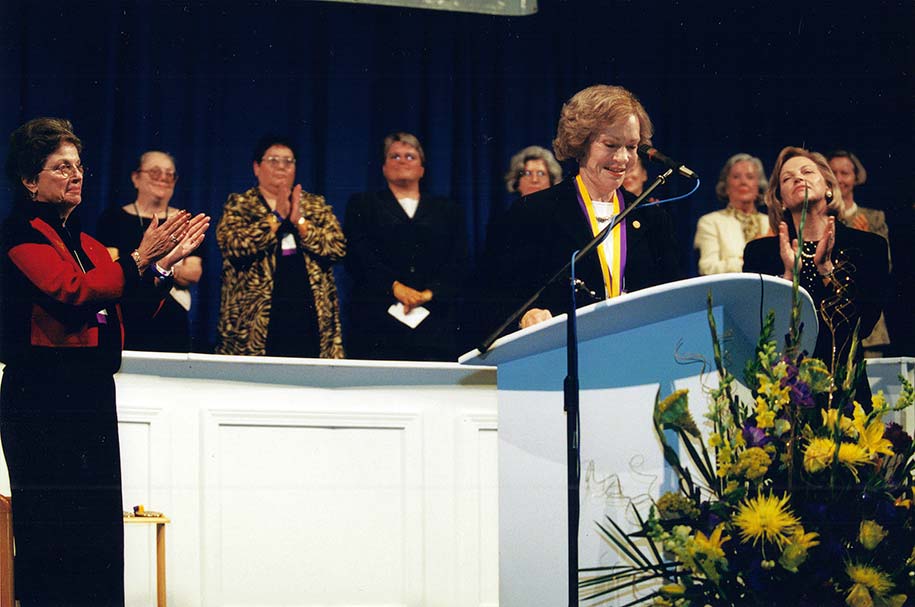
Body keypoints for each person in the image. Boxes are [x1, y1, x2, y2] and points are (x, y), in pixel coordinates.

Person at [0, 117, 208, 606]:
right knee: (53, 533)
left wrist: (161, 265)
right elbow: (69, 294)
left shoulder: (89, 243)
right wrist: (137, 262)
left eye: (78, 165)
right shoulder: (17, 236)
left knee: (96, 530)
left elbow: (128, 305)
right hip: (41, 398)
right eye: (60, 167)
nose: (76, 175)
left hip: (89, 396)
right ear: (30, 180)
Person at [500, 84, 681, 330]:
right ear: (580, 143)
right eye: (610, 145)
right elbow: (496, 293)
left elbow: (673, 302)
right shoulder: (533, 212)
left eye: (631, 146)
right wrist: (527, 314)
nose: (622, 158)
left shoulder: (652, 219)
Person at [743, 146, 889, 405]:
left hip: (845, 396)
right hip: (785, 398)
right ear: (781, 200)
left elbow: (862, 326)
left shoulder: (869, 246)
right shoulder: (761, 253)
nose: (798, 178)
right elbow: (761, 333)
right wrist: (789, 277)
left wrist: (826, 271)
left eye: (807, 171)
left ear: (829, 187)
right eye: (787, 179)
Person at [216, 135, 345, 358]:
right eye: (273, 160)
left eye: (288, 161)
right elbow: (232, 244)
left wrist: (300, 222)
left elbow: (337, 247)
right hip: (255, 322)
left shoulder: (315, 205)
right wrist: (277, 217)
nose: (281, 167)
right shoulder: (240, 204)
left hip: (309, 315)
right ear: (257, 167)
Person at [344, 132, 466, 361]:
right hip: (377, 324)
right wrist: (395, 287)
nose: (402, 161)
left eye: (410, 156)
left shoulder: (448, 209)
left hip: (435, 322)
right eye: (394, 156)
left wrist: (428, 294)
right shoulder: (363, 204)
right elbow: (359, 256)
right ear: (383, 168)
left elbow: (458, 261)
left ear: (422, 169)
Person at [97, 150, 203, 351]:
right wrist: (167, 265)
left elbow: (194, 272)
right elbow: (110, 265)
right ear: (136, 178)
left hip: (173, 315)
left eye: (169, 174)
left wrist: (140, 264)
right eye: (155, 172)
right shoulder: (112, 218)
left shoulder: (185, 221)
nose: (163, 178)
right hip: (126, 313)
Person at [827, 149, 891, 356]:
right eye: (833, 172)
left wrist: (865, 244)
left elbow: (885, 267)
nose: (839, 179)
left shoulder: (873, 218)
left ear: (856, 178)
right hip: (830, 322)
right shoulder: (821, 217)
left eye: (845, 173)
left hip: (867, 328)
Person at [693, 153, 770, 275]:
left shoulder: (771, 223)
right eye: (736, 177)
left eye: (750, 177)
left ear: (758, 186)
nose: (743, 182)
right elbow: (707, 268)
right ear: (726, 186)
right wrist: (748, 262)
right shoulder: (710, 222)